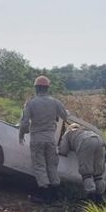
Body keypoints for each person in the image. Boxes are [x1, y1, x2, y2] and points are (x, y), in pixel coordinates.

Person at [18, 75, 68, 204]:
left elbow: (24, 123)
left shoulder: (31, 103)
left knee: (40, 166)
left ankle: (45, 194)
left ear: (36, 88)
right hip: (51, 139)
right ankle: (56, 194)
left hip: (37, 138)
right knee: (52, 165)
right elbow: (66, 116)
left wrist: (22, 134)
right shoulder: (55, 102)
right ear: (47, 88)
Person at [58, 123, 106, 203]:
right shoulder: (85, 131)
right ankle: (100, 197)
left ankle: (91, 196)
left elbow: (63, 150)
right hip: (99, 140)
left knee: (86, 172)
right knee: (98, 173)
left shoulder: (68, 133)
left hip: (85, 142)